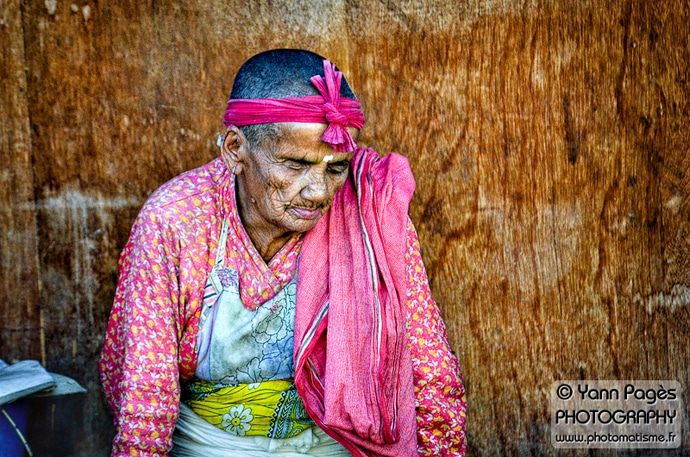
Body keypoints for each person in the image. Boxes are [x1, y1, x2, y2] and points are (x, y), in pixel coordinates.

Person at [99, 49, 466, 457]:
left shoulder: (370, 214)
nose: (319, 192)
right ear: (236, 149)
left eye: (336, 167)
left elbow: (430, 369)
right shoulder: (177, 220)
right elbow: (144, 389)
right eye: (295, 164)